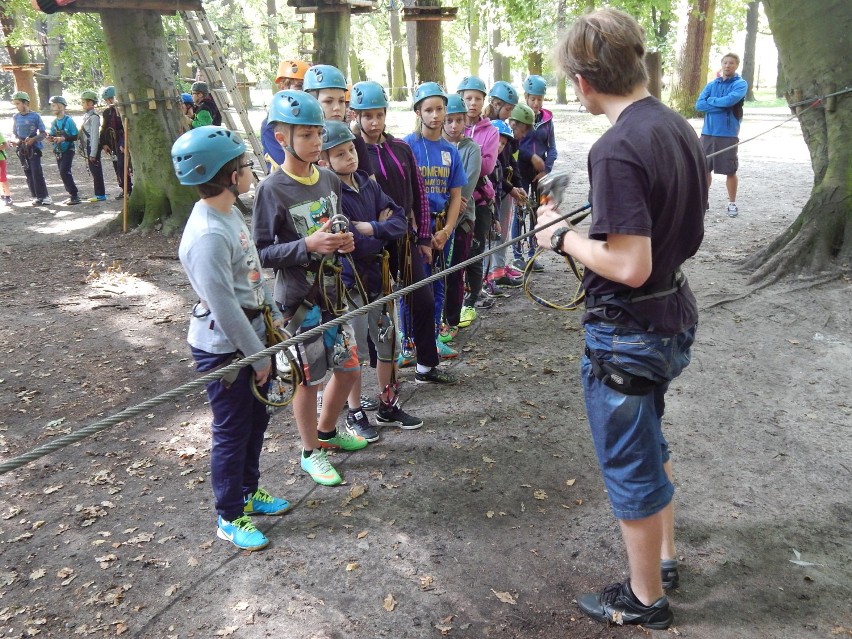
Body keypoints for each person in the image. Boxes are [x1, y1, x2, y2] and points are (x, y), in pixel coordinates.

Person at [536, 8, 706, 629]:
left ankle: (644, 600)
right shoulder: (674, 125)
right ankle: (662, 560)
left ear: (583, 81)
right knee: (649, 440)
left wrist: (562, 238)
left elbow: (630, 264)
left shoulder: (617, 147)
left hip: (630, 329)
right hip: (669, 314)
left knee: (631, 460)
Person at [172, 125, 291, 552]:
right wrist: (259, 357)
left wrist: (272, 325)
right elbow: (223, 308)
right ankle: (228, 515)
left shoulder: (229, 212)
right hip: (226, 349)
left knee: (256, 420)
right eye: (243, 164)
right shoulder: (207, 234)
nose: (249, 169)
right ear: (227, 175)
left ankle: (248, 491)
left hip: (252, 337)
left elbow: (250, 279)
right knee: (232, 430)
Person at [252, 90, 369, 487]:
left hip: (334, 293)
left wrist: (344, 241)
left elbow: (336, 226)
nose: (316, 142)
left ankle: (327, 432)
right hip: (300, 302)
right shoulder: (273, 190)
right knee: (310, 378)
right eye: (305, 135)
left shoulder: (331, 180)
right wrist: (307, 245)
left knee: (350, 369)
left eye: (318, 134)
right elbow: (262, 252)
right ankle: (309, 452)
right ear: (282, 138)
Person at [320, 120, 424, 439]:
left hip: (377, 280)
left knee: (387, 342)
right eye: (340, 153)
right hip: (349, 283)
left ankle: (387, 404)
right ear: (324, 161)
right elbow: (348, 240)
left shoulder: (367, 182)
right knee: (355, 351)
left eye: (351, 149)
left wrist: (371, 228)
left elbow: (398, 221)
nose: (350, 156)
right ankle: (355, 412)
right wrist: (372, 231)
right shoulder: (330, 195)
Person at [348, 80, 457, 385]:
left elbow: (418, 194)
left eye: (379, 115)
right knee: (379, 311)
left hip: (404, 238)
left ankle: (425, 364)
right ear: (357, 116)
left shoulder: (401, 148)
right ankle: (381, 377)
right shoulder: (351, 153)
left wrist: (423, 237)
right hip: (370, 244)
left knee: (421, 299)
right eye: (367, 116)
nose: (374, 122)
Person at [402, 83, 467, 378]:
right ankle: (409, 340)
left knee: (439, 282)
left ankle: (433, 337)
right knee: (415, 286)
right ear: (418, 112)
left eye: (440, 108)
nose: (436, 115)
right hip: (416, 230)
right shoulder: (407, 147)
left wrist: (449, 228)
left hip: (443, 228)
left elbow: (456, 195)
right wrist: (418, 230)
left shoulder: (450, 152)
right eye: (429, 109)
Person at [457, 76, 499, 327]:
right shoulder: (452, 125)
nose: (472, 104)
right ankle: (457, 296)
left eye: (477, 99)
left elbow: (486, 165)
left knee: (474, 250)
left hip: (478, 200)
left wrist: (468, 154)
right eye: (468, 98)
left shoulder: (490, 131)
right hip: (451, 201)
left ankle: (471, 300)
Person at [440, 93, 481, 343]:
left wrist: (452, 212)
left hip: (463, 221)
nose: (454, 126)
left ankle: (452, 319)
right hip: (435, 222)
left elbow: (465, 190)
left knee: (455, 272)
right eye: (449, 121)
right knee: (437, 272)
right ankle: (437, 319)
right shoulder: (434, 147)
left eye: (458, 120)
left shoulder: (471, 149)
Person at [513, 74, 557, 271]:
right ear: (526, 97)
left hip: (540, 174)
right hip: (521, 170)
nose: (537, 103)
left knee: (537, 213)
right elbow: (514, 145)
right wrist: (530, 157)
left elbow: (552, 148)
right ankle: (517, 255)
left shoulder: (547, 120)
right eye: (533, 98)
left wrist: (546, 169)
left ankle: (532, 254)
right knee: (520, 211)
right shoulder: (517, 117)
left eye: (540, 99)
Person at [695, 52, 748, 217]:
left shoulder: (740, 84)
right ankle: (704, 201)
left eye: (731, 63)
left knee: (730, 170)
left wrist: (711, 101)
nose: (727, 66)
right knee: (704, 169)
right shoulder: (712, 84)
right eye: (725, 63)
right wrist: (718, 103)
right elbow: (699, 105)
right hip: (707, 133)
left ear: (736, 65)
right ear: (721, 64)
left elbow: (730, 101)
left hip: (728, 134)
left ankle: (732, 203)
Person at [484, 119, 526, 289]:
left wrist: (518, 186)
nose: (500, 146)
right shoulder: (485, 162)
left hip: (498, 202)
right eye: (497, 142)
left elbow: (510, 170)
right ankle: (485, 278)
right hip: (485, 208)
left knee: (498, 236)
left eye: (503, 143)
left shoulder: (499, 162)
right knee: (485, 242)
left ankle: (495, 273)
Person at [261, 59, 310, 172]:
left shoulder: (313, 119)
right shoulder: (271, 125)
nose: (304, 92)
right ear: (283, 87)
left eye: (307, 87)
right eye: (299, 86)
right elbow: (289, 164)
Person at [10, 91, 51, 206]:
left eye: (18, 103)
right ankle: (36, 196)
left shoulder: (35, 116)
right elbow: (14, 133)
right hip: (22, 149)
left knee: (36, 171)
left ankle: (45, 196)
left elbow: (43, 133)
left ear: (25, 103)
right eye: (15, 104)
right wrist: (15, 140)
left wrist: (33, 140)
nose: (17, 106)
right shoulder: (16, 117)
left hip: (34, 149)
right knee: (28, 172)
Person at [99, 86, 132, 200]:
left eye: (111, 99)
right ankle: (124, 188)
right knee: (117, 166)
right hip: (113, 142)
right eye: (107, 100)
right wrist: (103, 143)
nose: (109, 102)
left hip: (123, 141)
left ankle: (129, 189)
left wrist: (124, 143)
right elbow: (104, 128)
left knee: (124, 165)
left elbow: (126, 127)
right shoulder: (107, 112)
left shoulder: (124, 110)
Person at [47, 96, 81, 205]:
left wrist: (64, 138)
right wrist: (50, 138)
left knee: (64, 171)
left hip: (68, 150)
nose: (52, 108)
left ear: (61, 106)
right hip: (58, 151)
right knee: (63, 173)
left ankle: (75, 195)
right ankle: (72, 195)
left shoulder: (69, 121)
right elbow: (52, 134)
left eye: (53, 105)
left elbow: (76, 136)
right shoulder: (54, 122)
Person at [79, 90, 107, 203]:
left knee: (96, 171)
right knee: (94, 170)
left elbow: (95, 136)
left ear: (90, 103)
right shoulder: (86, 116)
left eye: (84, 102)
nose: (82, 104)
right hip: (89, 146)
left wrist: (93, 153)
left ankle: (100, 194)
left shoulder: (94, 117)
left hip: (93, 146)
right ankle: (98, 193)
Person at [0, 130, 11, 205]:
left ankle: (8, 196)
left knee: (3, 177)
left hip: (0, 159)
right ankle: (2, 194)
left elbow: (6, 145)